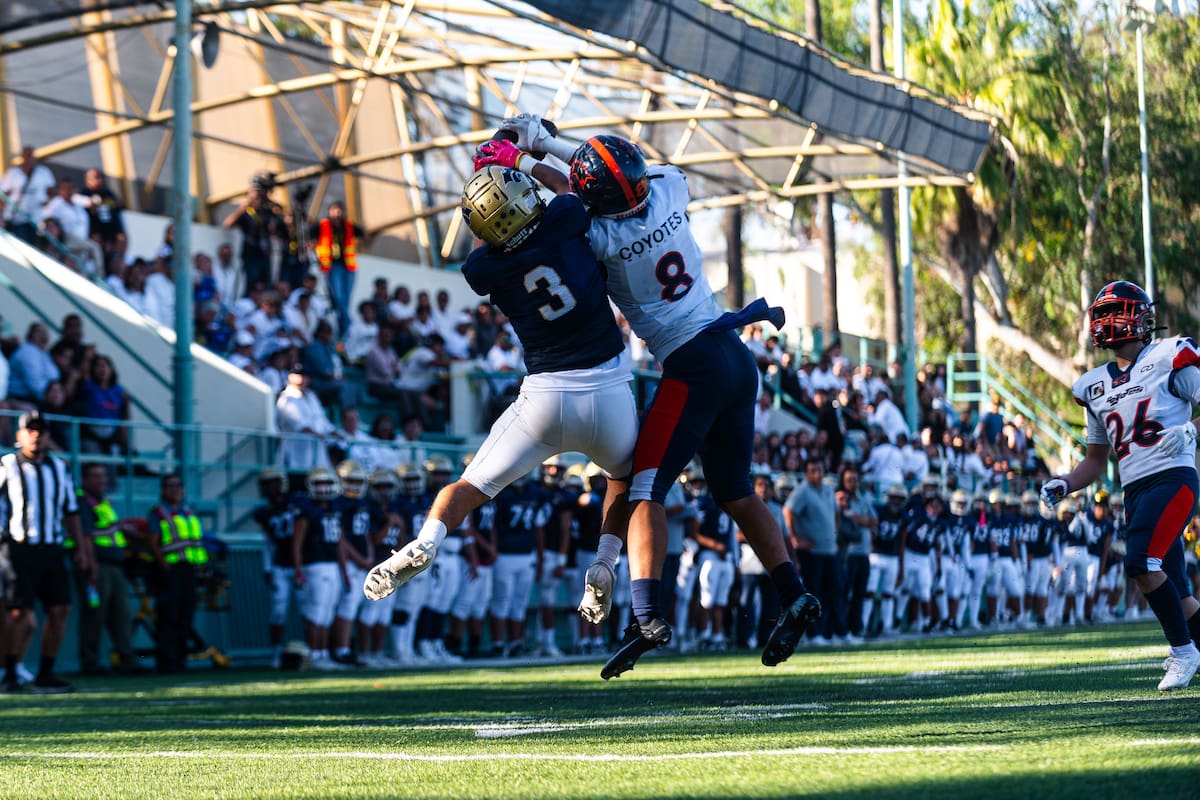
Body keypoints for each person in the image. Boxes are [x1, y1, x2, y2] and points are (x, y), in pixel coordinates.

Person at [486, 119, 819, 678]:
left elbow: (570, 196)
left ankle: (646, 614)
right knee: (736, 491)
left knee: (644, 491)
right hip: (735, 356)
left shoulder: (597, 237)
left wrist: (520, 162)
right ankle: (794, 591)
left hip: (692, 366)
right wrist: (545, 142)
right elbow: (596, 174)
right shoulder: (667, 185)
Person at [361, 162, 640, 642]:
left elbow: (481, 247)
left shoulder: (482, 266)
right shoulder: (562, 218)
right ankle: (605, 561)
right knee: (624, 481)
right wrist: (521, 160)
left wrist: (485, 213)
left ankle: (427, 541)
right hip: (608, 388)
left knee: (469, 486)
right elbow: (567, 187)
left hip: (545, 397)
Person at [1040, 280, 1200, 691]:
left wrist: (1192, 431)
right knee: (1180, 592)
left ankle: (1182, 652)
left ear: (1142, 317)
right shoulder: (1093, 386)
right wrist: (1063, 483)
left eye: (1119, 311)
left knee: (1139, 564)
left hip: (1173, 477)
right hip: (1135, 490)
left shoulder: (1169, 355)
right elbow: (1095, 461)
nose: (1109, 321)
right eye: (1103, 313)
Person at [0, 411, 92, 693]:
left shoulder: (59, 468)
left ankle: (46, 673)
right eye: (30, 430)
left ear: (49, 436)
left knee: (60, 608)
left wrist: (80, 548)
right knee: (18, 612)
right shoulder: (6, 465)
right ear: (19, 435)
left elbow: (70, 510)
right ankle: (11, 672)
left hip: (51, 546)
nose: (36, 435)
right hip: (17, 547)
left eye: (41, 430)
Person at [72, 462, 142, 675]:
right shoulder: (83, 501)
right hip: (97, 567)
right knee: (95, 615)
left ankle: (127, 659)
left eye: (103, 476)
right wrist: (91, 566)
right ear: (85, 479)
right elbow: (86, 536)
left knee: (121, 613)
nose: (101, 480)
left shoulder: (103, 502)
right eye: (95, 476)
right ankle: (90, 663)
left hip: (114, 567)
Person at [147, 474, 208, 674]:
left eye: (178, 485)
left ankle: (181, 661)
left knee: (185, 616)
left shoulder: (188, 513)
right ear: (163, 490)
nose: (175, 489)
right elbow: (153, 542)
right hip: (171, 571)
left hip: (189, 570)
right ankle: (166, 663)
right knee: (168, 617)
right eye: (170, 486)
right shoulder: (158, 513)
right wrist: (164, 566)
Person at [310, 200, 364, 335]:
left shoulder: (348, 226)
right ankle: (348, 327)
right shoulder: (323, 225)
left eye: (339, 210)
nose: (337, 213)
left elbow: (363, 233)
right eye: (334, 210)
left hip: (348, 266)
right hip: (332, 266)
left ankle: (344, 328)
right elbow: (310, 234)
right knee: (339, 298)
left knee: (345, 299)